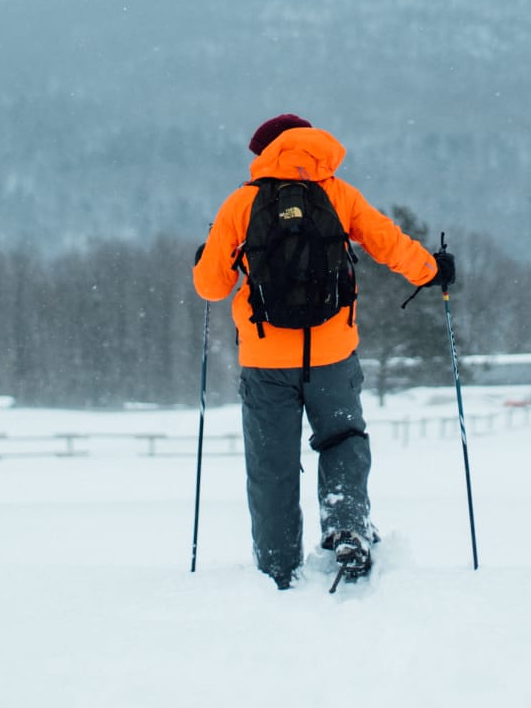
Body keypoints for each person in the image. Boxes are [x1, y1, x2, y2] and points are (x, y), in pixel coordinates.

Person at [192, 113, 455, 589]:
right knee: (342, 439)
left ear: (266, 152)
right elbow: (387, 243)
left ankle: (277, 568)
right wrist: (431, 271)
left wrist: (205, 258)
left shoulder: (242, 203)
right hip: (332, 353)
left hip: (265, 358)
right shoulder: (339, 194)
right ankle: (346, 524)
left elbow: (212, 287)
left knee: (271, 463)